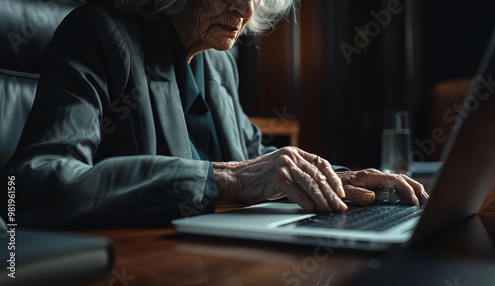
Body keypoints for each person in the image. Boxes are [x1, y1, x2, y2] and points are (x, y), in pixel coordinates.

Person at [1, 0, 427, 228]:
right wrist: (228, 179)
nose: (245, 7)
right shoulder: (97, 34)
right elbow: (30, 184)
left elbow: (257, 155)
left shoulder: (218, 63)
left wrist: (339, 176)